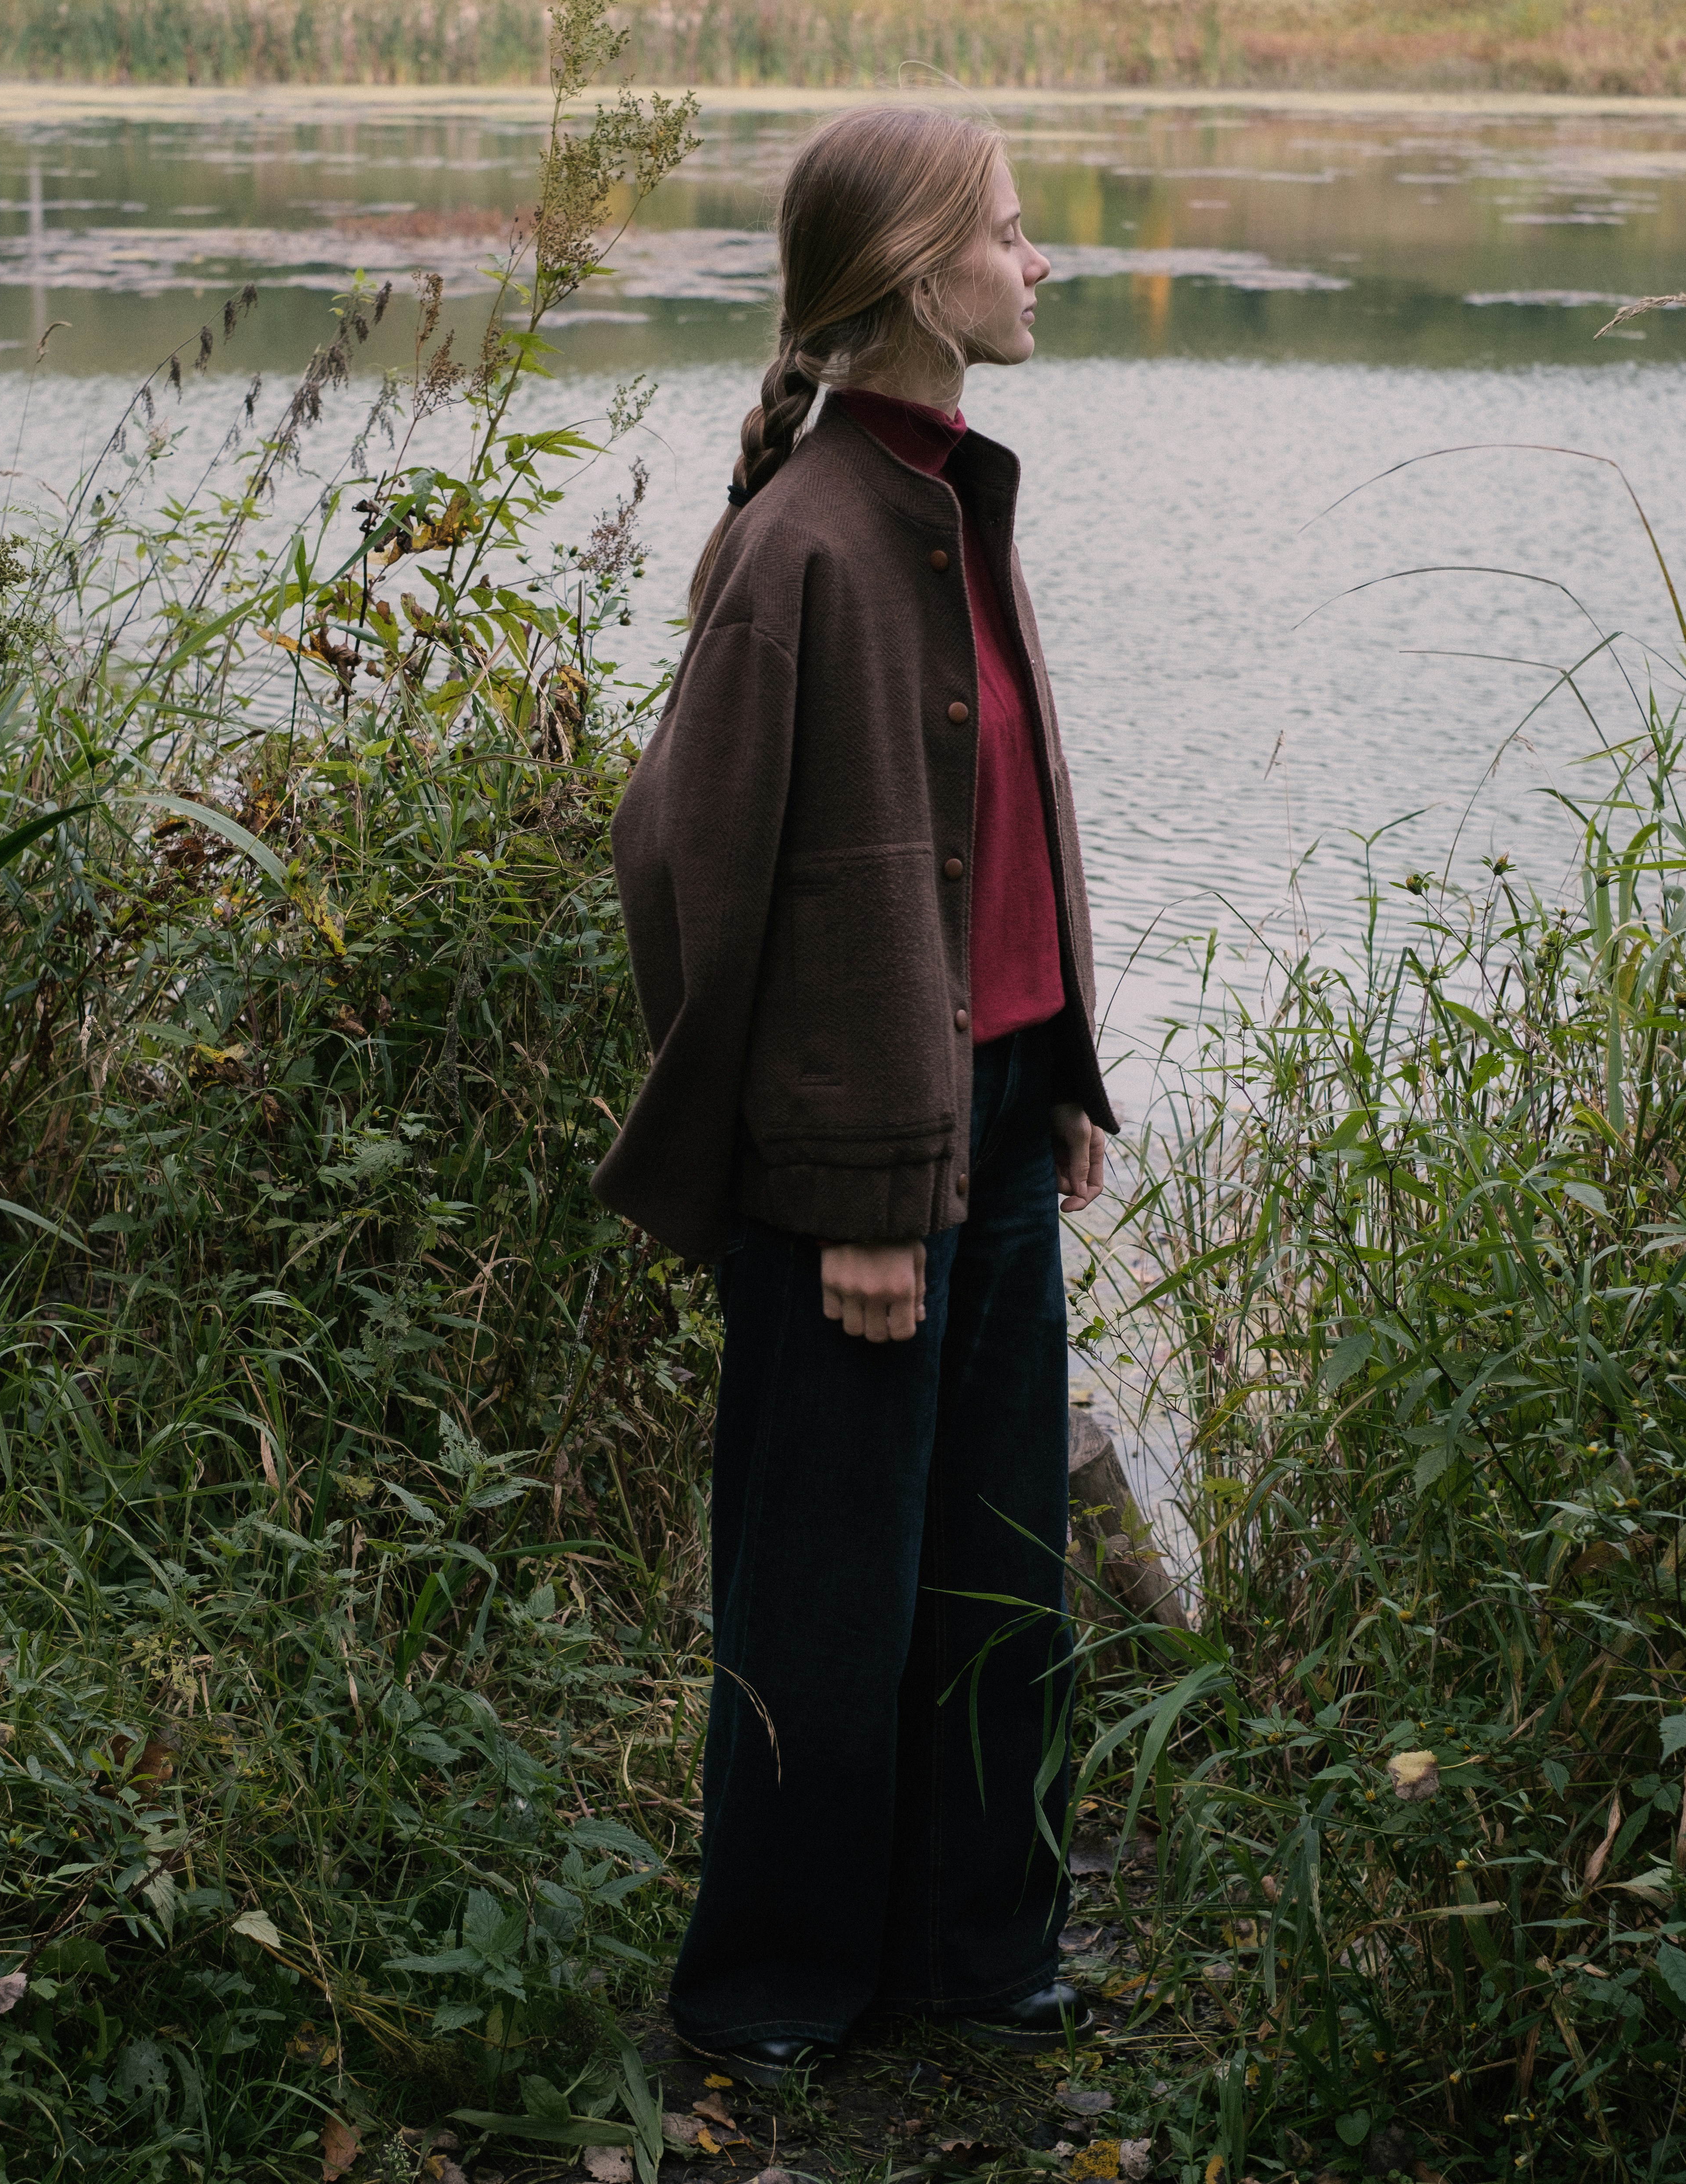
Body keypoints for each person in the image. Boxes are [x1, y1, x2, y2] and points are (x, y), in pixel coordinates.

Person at [593, 101, 1118, 2084]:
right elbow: (691, 875)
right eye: (1006, 231)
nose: (1035, 259)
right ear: (915, 276)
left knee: (998, 1569)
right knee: (821, 1595)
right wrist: (836, 1184)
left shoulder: (949, 495)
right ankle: (771, 2003)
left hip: (987, 1125)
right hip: (858, 1170)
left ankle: (976, 1963)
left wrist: (1058, 1067)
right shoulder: (801, 543)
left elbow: (992, 837)